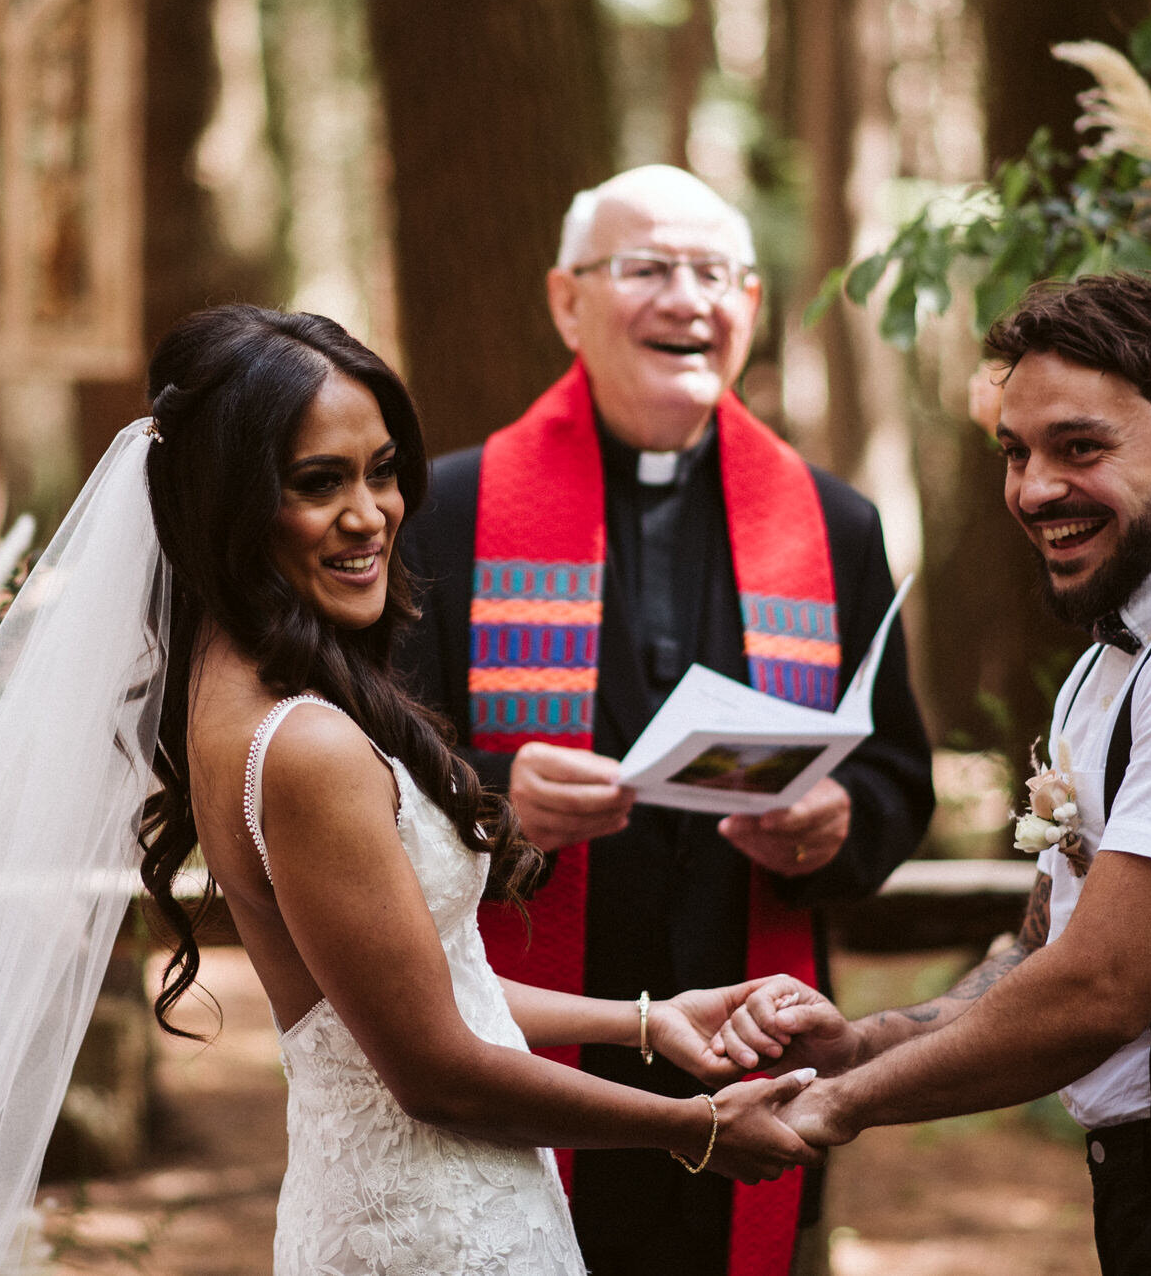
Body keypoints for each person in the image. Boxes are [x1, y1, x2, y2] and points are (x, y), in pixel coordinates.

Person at [0, 305, 821, 1276]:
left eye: (381, 473)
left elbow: (421, 987)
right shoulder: (301, 744)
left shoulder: (248, 692)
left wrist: (645, 1020)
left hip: (426, 1213)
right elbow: (431, 1071)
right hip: (427, 1232)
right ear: (229, 503)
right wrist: (695, 1129)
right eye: (319, 484)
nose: (370, 516)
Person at [715, 274, 1151, 1274]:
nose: (1033, 488)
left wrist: (835, 1108)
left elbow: (1098, 990)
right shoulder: (1118, 656)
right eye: (1015, 451)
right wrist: (862, 1045)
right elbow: (1046, 947)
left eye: (1080, 447)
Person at [394, 166, 937, 1276]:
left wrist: (841, 821)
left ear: (747, 305)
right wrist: (495, 794)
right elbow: (379, 761)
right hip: (535, 1026)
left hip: (748, 1033)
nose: (687, 300)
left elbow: (899, 776)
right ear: (567, 301)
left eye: (716, 274)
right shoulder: (448, 510)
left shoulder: (834, 524)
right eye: (647, 269)